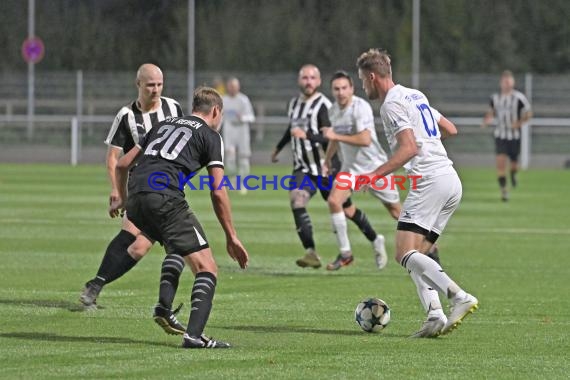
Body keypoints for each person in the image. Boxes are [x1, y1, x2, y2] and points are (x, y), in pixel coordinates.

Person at [109, 86, 249, 348]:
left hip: (138, 200)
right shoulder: (210, 135)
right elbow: (218, 192)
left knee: (177, 246)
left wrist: (123, 197)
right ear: (216, 111)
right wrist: (232, 237)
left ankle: (163, 308)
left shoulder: (161, 125)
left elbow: (123, 164)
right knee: (207, 267)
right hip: (164, 199)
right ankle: (194, 337)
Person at [356, 48, 478, 337]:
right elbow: (450, 129)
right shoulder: (415, 95)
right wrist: (430, 143)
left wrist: (373, 176)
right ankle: (434, 315)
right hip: (450, 179)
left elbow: (409, 148)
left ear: (372, 77)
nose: (363, 87)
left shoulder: (390, 105)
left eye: (362, 81)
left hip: (430, 182)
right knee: (418, 255)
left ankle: (459, 296)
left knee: (403, 253)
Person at [80, 63, 183, 309]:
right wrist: (116, 190)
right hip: (140, 186)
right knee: (135, 237)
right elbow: (113, 159)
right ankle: (167, 308)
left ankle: (95, 284)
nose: (155, 90)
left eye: (159, 84)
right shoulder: (126, 116)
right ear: (138, 85)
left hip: (169, 186)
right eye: (150, 85)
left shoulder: (173, 108)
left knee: (138, 248)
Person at [271, 64, 386, 270]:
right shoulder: (294, 104)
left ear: (318, 81)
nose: (308, 81)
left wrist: (307, 136)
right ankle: (311, 252)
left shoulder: (324, 106)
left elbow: (329, 138)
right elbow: (292, 129)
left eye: (312, 78)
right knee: (297, 200)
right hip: (303, 168)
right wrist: (278, 148)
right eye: (304, 77)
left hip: (327, 168)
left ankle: (375, 239)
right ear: (299, 80)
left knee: (347, 210)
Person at [322, 71, 401, 271]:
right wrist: (328, 159)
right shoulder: (333, 111)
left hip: (375, 168)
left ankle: (428, 244)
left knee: (396, 212)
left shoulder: (360, 107)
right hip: (350, 170)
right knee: (334, 201)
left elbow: (364, 140)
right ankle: (346, 253)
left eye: (344, 88)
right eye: (336, 89)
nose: (340, 93)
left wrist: (335, 137)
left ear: (352, 89)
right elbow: (334, 137)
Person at [482, 70, 532, 201]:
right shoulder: (495, 98)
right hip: (500, 135)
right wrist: (487, 120)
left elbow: (528, 113)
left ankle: (513, 174)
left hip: (514, 136)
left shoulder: (519, 98)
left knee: (514, 164)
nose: (507, 84)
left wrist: (519, 123)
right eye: (505, 82)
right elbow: (491, 112)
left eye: (509, 82)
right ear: (501, 83)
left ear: (513, 83)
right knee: (500, 163)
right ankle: (504, 191)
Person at [222, 77, 256, 193]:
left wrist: (242, 118)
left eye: (234, 87)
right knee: (230, 156)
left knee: (243, 157)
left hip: (242, 130)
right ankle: (232, 181)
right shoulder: (223, 100)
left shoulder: (243, 100)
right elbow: (220, 117)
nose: (232, 89)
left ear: (238, 87)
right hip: (229, 130)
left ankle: (242, 183)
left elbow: (251, 117)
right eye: (230, 86)